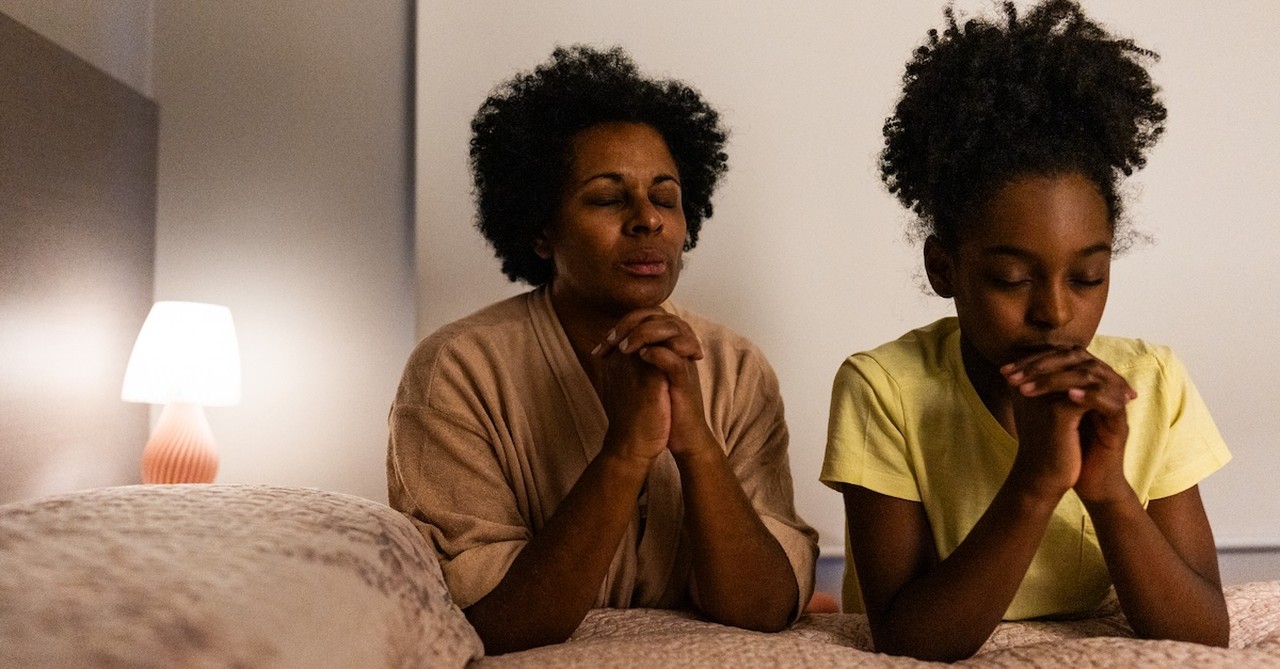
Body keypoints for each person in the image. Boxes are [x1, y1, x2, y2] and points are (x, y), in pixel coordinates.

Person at [820, 1, 1231, 661]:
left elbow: (1204, 634)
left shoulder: (1152, 383)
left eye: (1088, 277)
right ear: (944, 266)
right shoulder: (884, 388)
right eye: (1013, 279)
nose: (1055, 313)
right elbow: (907, 637)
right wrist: (1038, 480)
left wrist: (1107, 488)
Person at [388, 45, 818, 655]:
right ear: (541, 228)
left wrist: (696, 445)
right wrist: (626, 451)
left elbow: (762, 607)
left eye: (665, 197)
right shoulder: (456, 370)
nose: (648, 220)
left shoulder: (737, 367)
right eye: (607, 197)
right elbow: (498, 623)